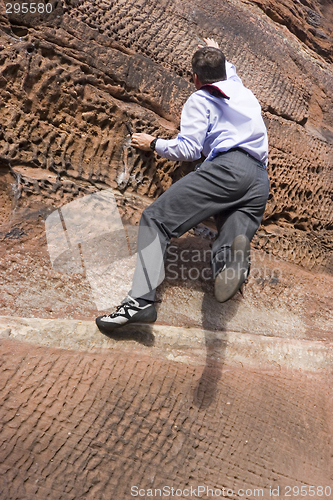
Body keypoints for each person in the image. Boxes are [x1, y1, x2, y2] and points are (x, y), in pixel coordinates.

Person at [96, 38, 269, 331]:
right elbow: (231, 71)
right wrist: (217, 50)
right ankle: (231, 264)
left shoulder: (200, 99)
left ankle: (140, 302)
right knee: (229, 244)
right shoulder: (242, 90)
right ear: (224, 71)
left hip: (228, 169)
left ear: (194, 78)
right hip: (259, 181)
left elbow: (189, 149)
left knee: (156, 220)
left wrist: (153, 143)